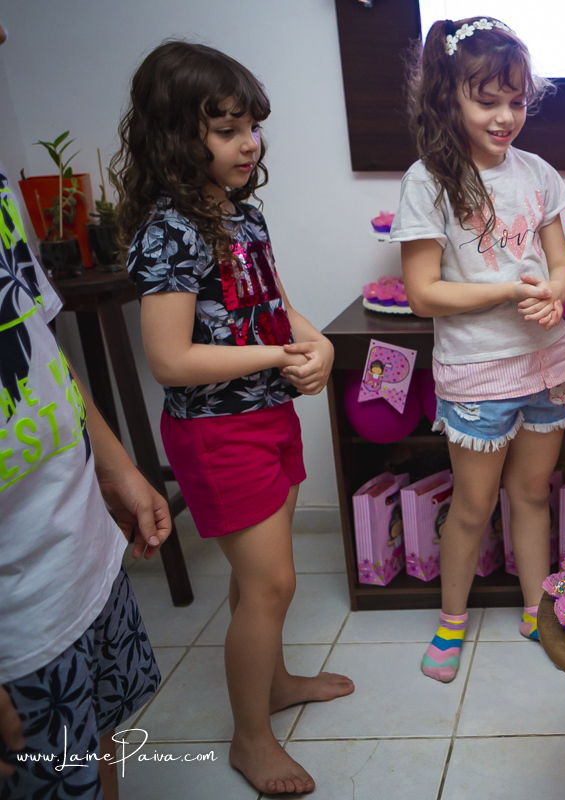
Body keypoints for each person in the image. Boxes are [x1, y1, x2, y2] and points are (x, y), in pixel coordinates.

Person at [117, 41, 353, 794]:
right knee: (271, 584)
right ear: (174, 137)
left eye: (251, 126)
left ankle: (274, 684)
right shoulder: (169, 229)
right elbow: (169, 359)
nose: (248, 143)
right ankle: (251, 740)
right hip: (216, 433)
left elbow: (274, 304)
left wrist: (317, 345)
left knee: (263, 584)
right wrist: (279, 356)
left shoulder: (240, 214)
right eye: (226, 130)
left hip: (267, 415)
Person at [392, 17, 565, 682]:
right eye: (488, 100)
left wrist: (553, 295)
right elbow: (423, 293)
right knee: (473, 506)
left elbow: (562, 270)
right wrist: (508, 291)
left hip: (548, 364)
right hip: (477, 372)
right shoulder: (427, 181)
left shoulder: (539, 174)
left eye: (516, 101)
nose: (506, 117)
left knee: (532, 493)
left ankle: (537, 611)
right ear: (448, 96)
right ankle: (451, 622)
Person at [0, 158, 167, 797]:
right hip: (16, 613)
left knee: (99, 751)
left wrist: (114, 463)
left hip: (78, 550)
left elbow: (37, 337)